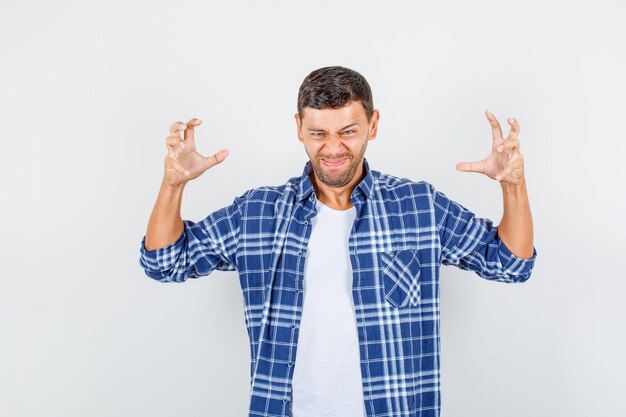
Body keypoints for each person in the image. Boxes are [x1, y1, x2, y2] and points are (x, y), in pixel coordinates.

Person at [139, 66, 537, 417]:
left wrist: (514, 187)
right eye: (317, 133)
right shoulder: (258, 212)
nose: (332, 148)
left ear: (373, 124)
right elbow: (165, 262)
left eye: (348, 131)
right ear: (298, 128)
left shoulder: (419, 206)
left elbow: (510, 264)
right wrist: (173, 184)